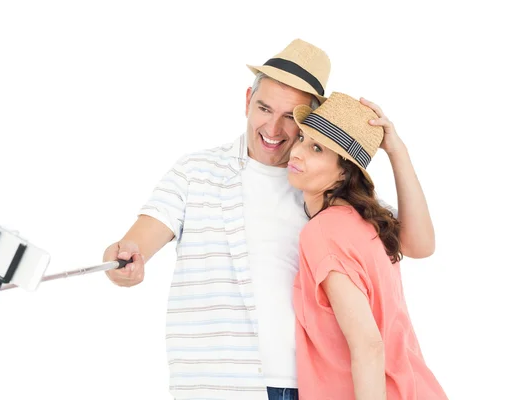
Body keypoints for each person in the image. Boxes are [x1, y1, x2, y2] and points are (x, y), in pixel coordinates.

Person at [102, 39, 435, 400]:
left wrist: (396, 150)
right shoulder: (195, 172)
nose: (274, 129)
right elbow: (137, 243)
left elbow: (418, 245)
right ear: (247, 101)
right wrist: (126, 258)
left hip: (305, 387)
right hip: (216, 385)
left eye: (292, 117)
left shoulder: (323, 193)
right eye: (264, 108)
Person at [288, 92, 446, 399]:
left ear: (343, 172)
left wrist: (396, 148)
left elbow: (368, 345)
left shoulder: (322, 231)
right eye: (303, 138)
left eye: (317, 148)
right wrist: (396, 150)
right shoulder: (365, 220)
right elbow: (422, 246)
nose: (297, 152)